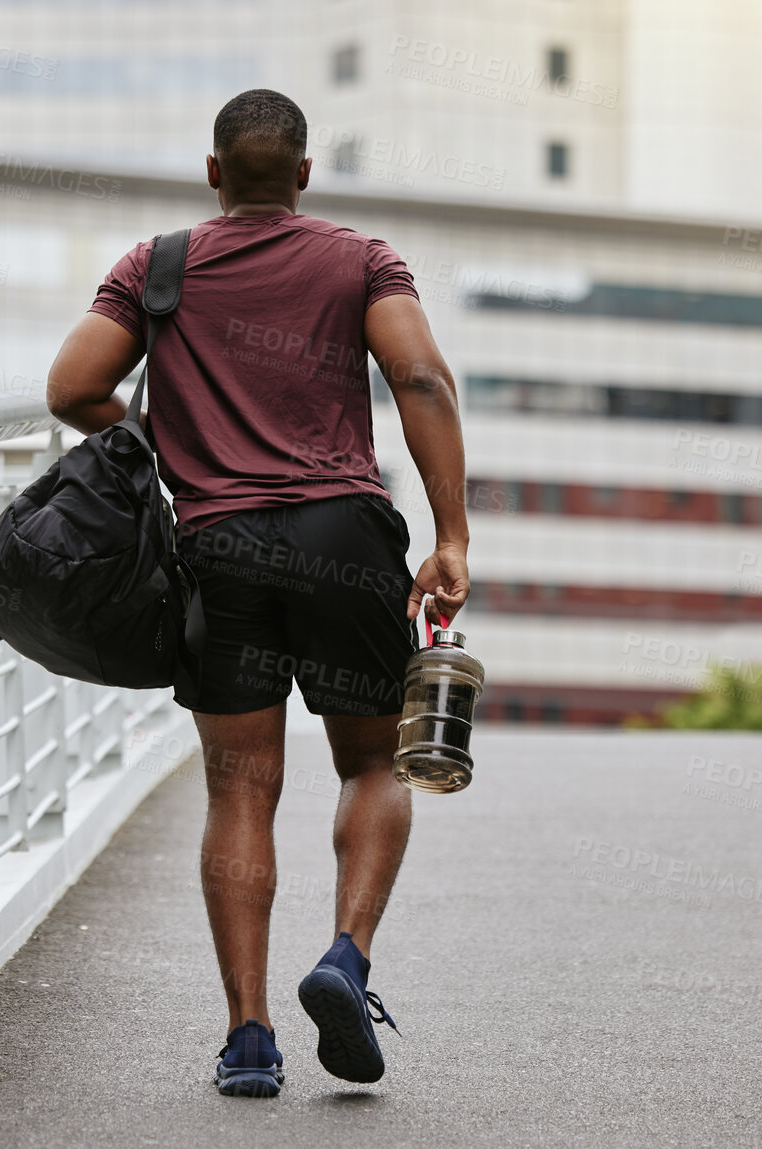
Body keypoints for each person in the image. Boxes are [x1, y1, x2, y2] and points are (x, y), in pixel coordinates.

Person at [44, 88, 469, 1097]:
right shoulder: (364, 258)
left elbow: (71, 389)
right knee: (373, 762)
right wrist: (451, 532)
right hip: (347, 537)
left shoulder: (155, 266)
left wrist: (167, 444)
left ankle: (247, 1036)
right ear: (307, 174)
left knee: (241, 787)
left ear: (213, 172)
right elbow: (421, 381)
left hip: (218, 544)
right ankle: (346, 957)